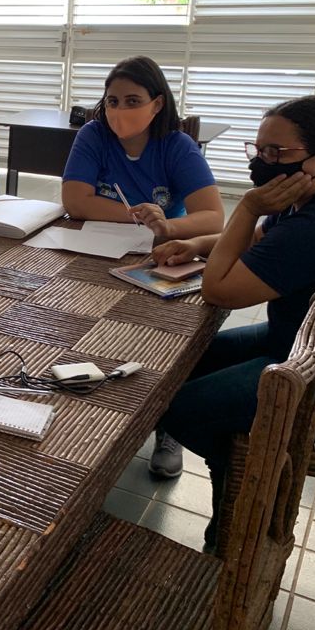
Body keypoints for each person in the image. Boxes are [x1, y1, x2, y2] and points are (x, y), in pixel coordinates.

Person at [152, 95, 315, 549]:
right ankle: (240, 467)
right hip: (310, 342)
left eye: (276, 152)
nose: (262, 161)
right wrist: (199, 244)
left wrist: (246, 207)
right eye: (259, 149)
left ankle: (245, 494)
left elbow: (219, 290)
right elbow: (262, 238)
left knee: (182, 409)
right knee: (183, 362)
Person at [61, 55, 224, 477]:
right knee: (82, 329)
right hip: (97, 250)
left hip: (161, 254)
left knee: (160, 341)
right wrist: (139, 215)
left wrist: (166, 225)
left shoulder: (176, 145)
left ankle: (168, 424)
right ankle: (92, 411)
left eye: (132, 101)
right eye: (112, 101)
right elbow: (75, 201)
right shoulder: (94, 135)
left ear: (157, 103)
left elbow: (212, 218)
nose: (119, 111)